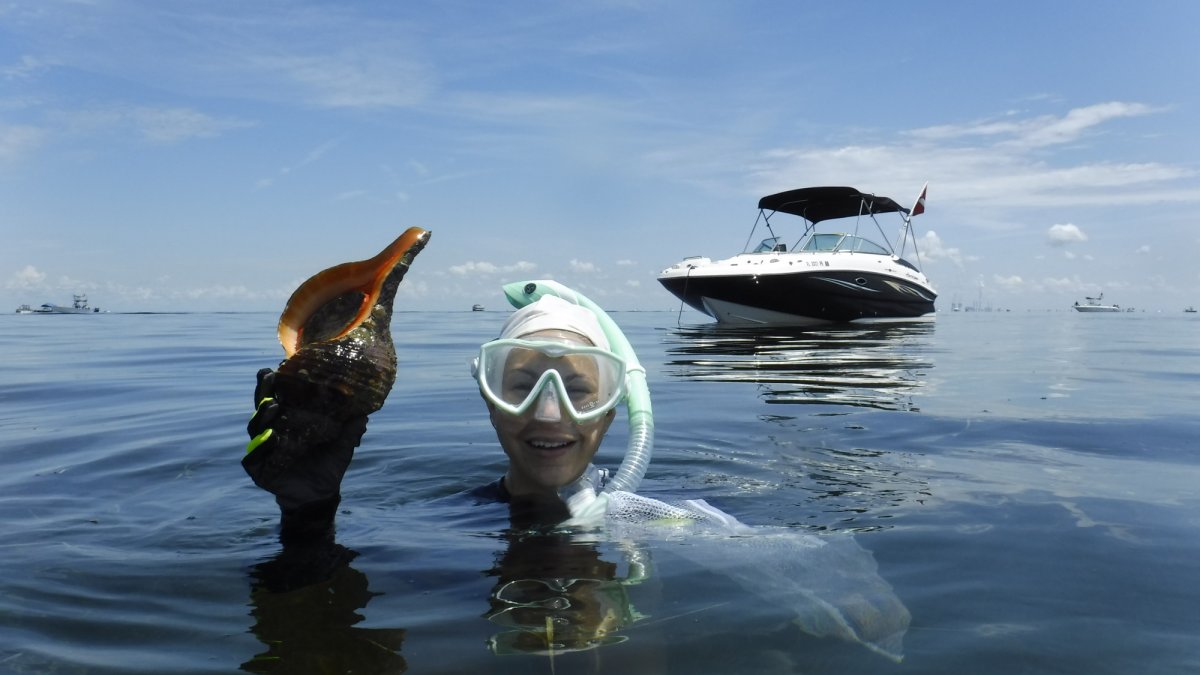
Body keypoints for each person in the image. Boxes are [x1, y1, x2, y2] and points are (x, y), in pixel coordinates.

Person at [243, 294, 626, 538]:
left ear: (609, 412)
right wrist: (307, 516)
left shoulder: (662, 511)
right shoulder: (438, 528)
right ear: (491, 404)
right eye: (522, 387)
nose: (548, 412)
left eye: (577, 391)